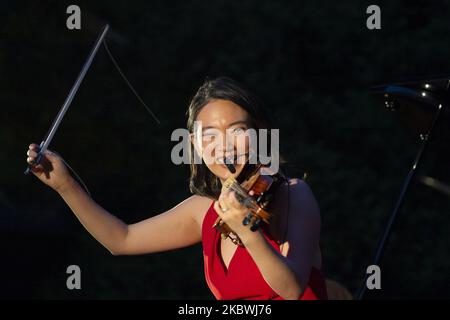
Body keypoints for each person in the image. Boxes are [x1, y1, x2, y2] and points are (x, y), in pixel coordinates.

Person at [25, 77, 328, 300]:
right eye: (209, 135)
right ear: (194, 145)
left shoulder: (293, 194)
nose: (223, 146)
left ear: (260, 135)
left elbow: (290, 288)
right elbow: (121, 239)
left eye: (237, 131)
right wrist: (65, 186)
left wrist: (248, 232)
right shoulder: (202, 211)